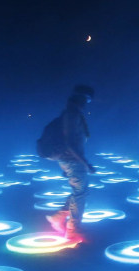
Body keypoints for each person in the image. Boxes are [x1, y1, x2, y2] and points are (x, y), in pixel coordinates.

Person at [45, 85, 97, 242]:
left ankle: (58, 217)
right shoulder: (72, 114)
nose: (87, 102)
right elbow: (69, 143)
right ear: (80, 98)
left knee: (80, 192)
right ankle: (73, 230)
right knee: (80, 193)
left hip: (71, 159)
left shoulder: (73, 113)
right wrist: (85, 163)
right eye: (86, 99)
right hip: (72, 159)